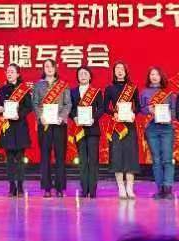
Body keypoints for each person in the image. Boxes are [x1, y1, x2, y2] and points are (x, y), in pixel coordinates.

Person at [32, 59, 72, 198]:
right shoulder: (38, 85)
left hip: (59, 124)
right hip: (44, 125)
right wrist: (40, 116)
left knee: (60, 156)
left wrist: (62, 116)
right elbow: (35, 103)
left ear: (55, 68)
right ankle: (47, 188)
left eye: (51, 66)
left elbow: (68, 104)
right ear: (43, 69)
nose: (49, 68)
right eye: (46, 66)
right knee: (45, 156)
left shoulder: (63, 85)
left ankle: (60, 188)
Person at [104, 61, 140, 199]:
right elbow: (105, 107)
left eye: (122, 69)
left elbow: (138, 106)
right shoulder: (109, 88)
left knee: (131, 156)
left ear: (126, 72)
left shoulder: (132, 88)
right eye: (117, 69)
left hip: (129, 125)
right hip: (117, 126)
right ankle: (121, 188)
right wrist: (113, 113)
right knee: (117, 156)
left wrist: (133, 113)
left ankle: (130, 188)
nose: (119, 71)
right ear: (114, 72)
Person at [69, 66, 106, 198]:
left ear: (90, 77)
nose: (83, 76)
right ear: (77, 77)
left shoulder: (96, 92)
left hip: (92, 129)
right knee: (83, 161)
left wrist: (93, 118)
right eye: (80, 74)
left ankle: (93, 190)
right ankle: (84, 189)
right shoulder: (72, 92)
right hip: (79, 129)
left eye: (85, 73)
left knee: (93, 160)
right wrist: (74, 117)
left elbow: (101, 108)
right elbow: (70, 108)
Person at [0, 63, 32, 197]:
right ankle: (12, 187)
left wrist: (20, 114)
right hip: (8, 128)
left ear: (18, 74)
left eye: (12, 72)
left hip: (20, 126)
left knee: (20, 159)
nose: (9, 74)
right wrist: (0, 109)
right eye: (8, 72)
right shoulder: (2, 89)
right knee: (10, 160)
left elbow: (29, 107)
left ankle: (21, 187)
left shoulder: (24, 89)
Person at [140, 66, 177, 200]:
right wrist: (148, 110)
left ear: (161, 76)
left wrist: (166, 114)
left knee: (167, 159)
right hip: (152, 128)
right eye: (152, 74)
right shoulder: (144, 92)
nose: (154, 76)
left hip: (166, 128)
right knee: (156, 160)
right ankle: (160, 189)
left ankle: (168, 188)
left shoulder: (169, 93)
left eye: (156, 74)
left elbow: (174, 111)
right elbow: (141, 109)